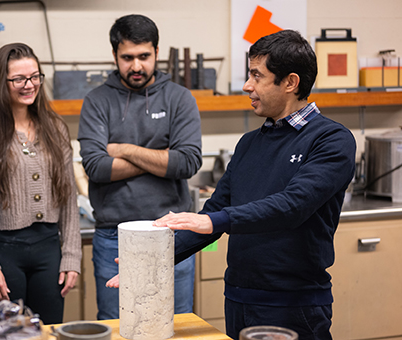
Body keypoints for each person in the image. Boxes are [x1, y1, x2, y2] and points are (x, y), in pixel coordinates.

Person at [149, 30, 356, 340]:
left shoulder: (331, 140)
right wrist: (153, 259)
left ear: (290, 82)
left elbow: (292, 206)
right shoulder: (249, 143)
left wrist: (210, 220)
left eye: (257, 76)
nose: (248, 85)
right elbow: (218, 210)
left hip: (293, 306)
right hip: (238, 300)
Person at [78, 14, 202, 320]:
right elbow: (96, 168)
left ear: (157, 53)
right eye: (128, 57)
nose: (136, 66)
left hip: (172, 236)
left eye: (144, 56)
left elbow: (187, 162)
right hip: (113, 238)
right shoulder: (97, 101)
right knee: (120, 324)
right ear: (115, 56)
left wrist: (125, 151)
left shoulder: (179, 98)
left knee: (176, 323)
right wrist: (161, 159)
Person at [0, 43, 81, 325]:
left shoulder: (54, 127)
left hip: (48, 250)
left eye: (35, 76)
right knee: (9, 334)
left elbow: (68, 197)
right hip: (3, 252)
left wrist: (71, 256)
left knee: (49, 331)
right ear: (0, 82)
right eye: (19, 79)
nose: (29, 85)